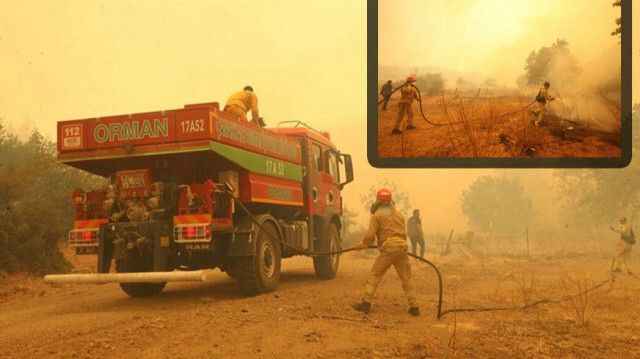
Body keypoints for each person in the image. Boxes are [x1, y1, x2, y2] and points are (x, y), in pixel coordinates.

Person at [352, 188, 420, 316]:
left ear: (378, 202)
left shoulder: (377, 216)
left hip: (388, 250)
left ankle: (366, 304)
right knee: (407, 278)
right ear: (390, 202)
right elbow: (403, 233)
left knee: (375, 275)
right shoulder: (399, 215)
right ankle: (414, 307)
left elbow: (369, 237)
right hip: (402, 248)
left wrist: (362, 245)